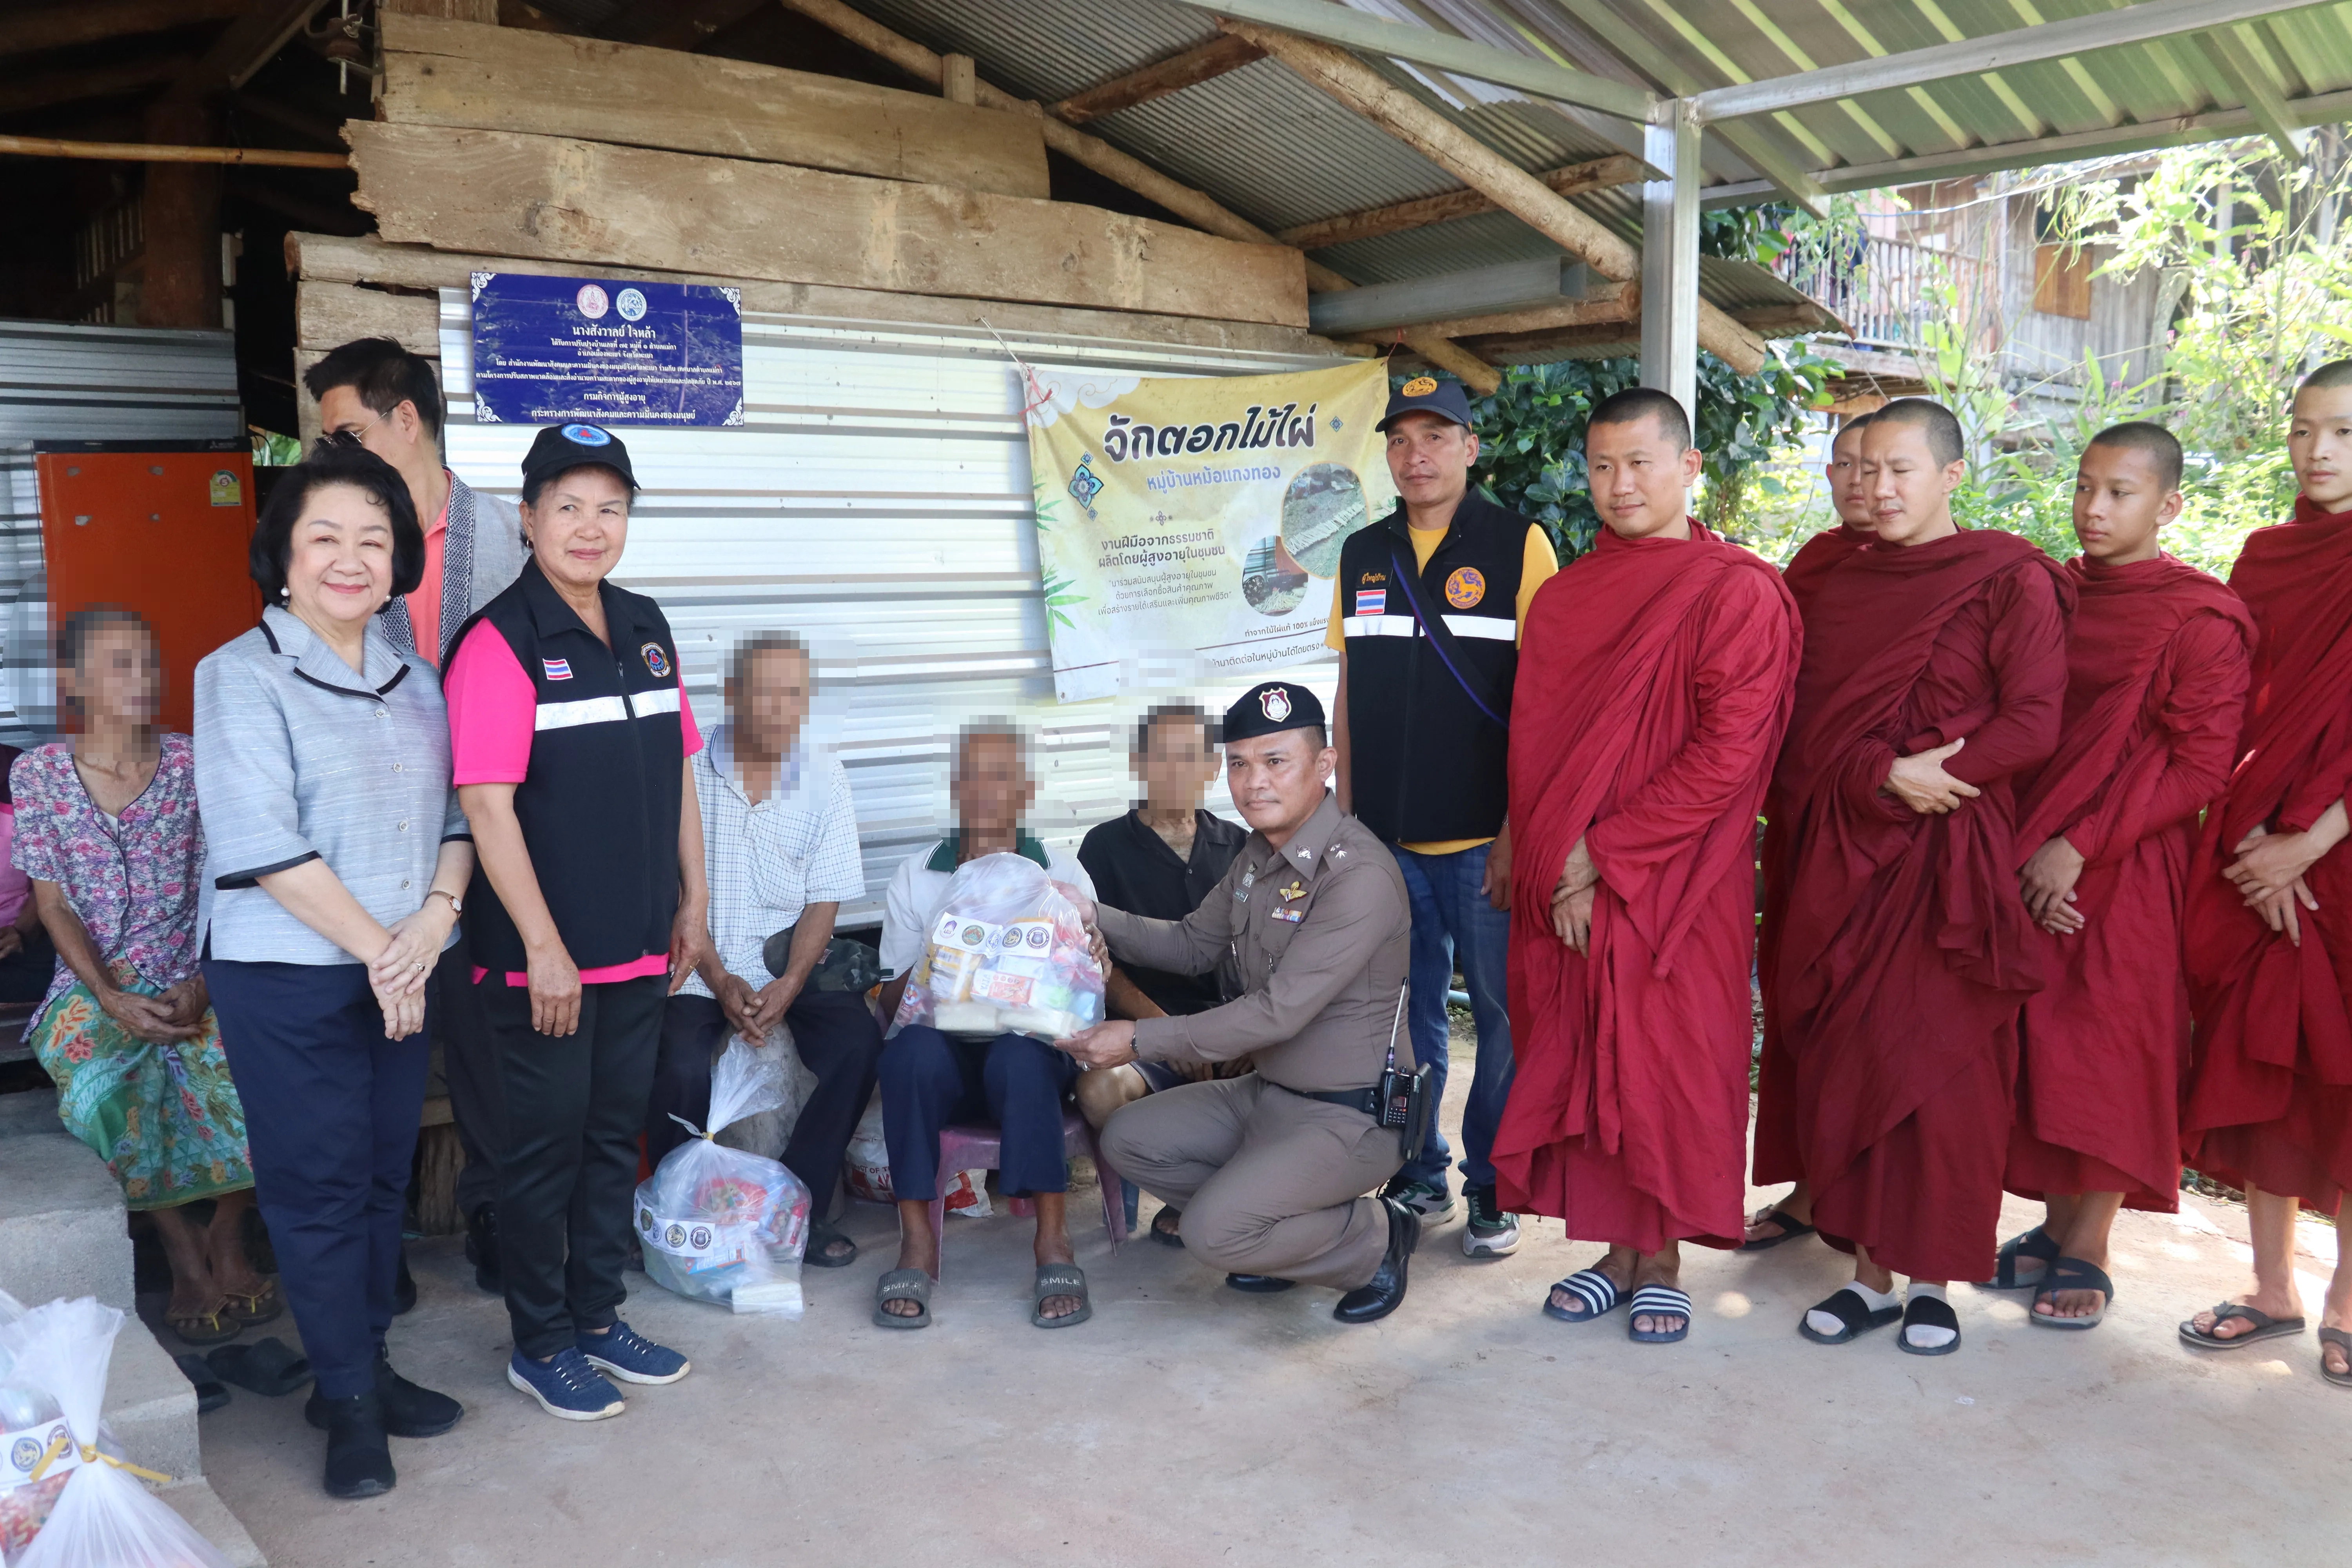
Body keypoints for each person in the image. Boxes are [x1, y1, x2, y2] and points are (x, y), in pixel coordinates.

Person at [1493, 389, 1801, 1345]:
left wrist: (1603, 853)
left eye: (1640, 463)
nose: (1620, 485)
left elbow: (1728, 754)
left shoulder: (1734, 589)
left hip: (1673, 880)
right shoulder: (1568, 594)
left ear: (1690, 467)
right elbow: (1538, 740)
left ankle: (1662, 1255)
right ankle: (1614, 1248)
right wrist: (1532, 846)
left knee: (1669, 1060)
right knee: (1584, 1051)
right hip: (1566, 877)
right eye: (1601, 467)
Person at [196, 439, 473, 1499]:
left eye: (375, 540)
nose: (351, 559)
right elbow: (261, 842)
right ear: (282, 557)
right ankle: (349, 1401)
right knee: (313, 1190)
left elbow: (457, 820)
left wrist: (432, 924)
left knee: (373, 1179)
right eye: (326, 538)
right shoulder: (239, 675)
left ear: (399, 562)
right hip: (291, 976)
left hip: (398, 968)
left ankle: (360, 1370)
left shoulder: (417, 680)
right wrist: (383, 954)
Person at [1773, 397, 2070, 1355]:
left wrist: (1939, 775)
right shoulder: (1837, 582)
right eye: (1869, 470)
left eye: (1904, 470)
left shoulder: (2007, 576)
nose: (1882, 487)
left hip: (1952, 857)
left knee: (1946, 1071)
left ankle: (1937, 1278)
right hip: (1846, 853)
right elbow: (1796, 728)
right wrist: (1880, 776)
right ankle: (1869, 1275)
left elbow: (2033, 719)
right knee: (1852, 1059)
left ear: (1950, 476)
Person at [444, 423, 709, 1420]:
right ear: (527, 518)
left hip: (641, 945)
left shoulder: (646, 624)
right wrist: (545, 947)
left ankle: (600, 1317)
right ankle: (540, 1340)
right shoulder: (500, 642)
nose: (590, 527)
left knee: (609, 1139)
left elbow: (678, 766)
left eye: (611, 507)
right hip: (542, 965)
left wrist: (696, 897)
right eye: (568, 505)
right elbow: (486, 804)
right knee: (541, 1152)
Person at [1061, 681, 1423, 1325]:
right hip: (1271, 1095)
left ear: (1325, 764)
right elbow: (1193, 944)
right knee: (1130, 1138)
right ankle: (1282, 1233)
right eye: (1238, 763)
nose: (1253, 782)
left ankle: (1374, 1237)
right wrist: (1093, 914)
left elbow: (1277, 1013)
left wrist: (1138, 1040)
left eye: (1275, 761)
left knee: (1210, 1234)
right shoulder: (1258, 856)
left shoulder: (1356, 875)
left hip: (1349, 1116)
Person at [2002, 425, 2251, 1328]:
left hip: (2130, 864)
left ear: (2168, 505)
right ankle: (2050, 1227)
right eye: (2085, 487)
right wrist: (2032, 845)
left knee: (2109, 1044)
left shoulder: (2200, 616)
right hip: (2029, 848)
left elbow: (2201, 766)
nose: (2095, 509)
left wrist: (2081, 844)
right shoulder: (2053, 595)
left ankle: (2090, 1244)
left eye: (2121, 493)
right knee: (2037, 1038)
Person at [307, 337, 526, 1294]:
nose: (332, 457)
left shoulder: (512, 537)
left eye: (347, 432)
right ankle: (374, 1253)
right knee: (374, 1047)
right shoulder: (344, 547)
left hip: (497, 833)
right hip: (381, 846)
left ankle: (495, 1222)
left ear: (406, 421)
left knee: (492, 1050)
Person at [1327, 374, 1558, 1257]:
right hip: (1385, 838)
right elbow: (1348, 690)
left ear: (1470, 446)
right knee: (1404, 1011)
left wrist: (1518, 826)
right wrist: (1343, 824)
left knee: (1500, 1012)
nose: (1416, 455)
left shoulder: (1517, 542)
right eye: (1400, 439)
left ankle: (1492, 1180)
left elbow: (1547, 698)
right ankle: (1420, 1167)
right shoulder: (1363, 552)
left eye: (1436, 436)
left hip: (1483, 840)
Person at [16, 608, 269, 1347]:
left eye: (148, 663)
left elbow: (232, 881)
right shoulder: (40, 776)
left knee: (255, 1076)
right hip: (94, 982)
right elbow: (53, 904)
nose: (142, 679)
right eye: (119, 664)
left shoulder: (197, 764)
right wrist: (109, 997)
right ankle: (180, 1246)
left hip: (200, 969)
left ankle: (227, 1233)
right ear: (72, 682)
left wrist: (204, 980)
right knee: (104, 1088)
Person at [2179, 360, 2352, 1385]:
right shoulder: (2268, 554)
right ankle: (2274, 1287)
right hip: (2260, 850)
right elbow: (2245, 707)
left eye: (2340, 432)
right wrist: (2260, 841)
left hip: (2332, 850)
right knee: (2264, 1069)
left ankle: (2348, 1300)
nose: (2318, 452)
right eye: (2301, 431)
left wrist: (2311, 842)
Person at [650, 632, 878, 1269]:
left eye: (795, 695)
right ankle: (682, 1212)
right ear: (731, 696)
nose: (782, 710)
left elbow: (825, 900)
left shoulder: (824, 777)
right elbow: (671, 890)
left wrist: (795, 981)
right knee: (680, 1065)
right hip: (698, 962)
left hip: (784, 962)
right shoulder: (687, 771)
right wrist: (719, 979)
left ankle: (795, 1205)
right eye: (766, 693)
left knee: (857, 1045)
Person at [869, 721, 1098, 1330]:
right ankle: (916, 1241)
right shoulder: (919, 874)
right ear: (954, 787)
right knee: (906, 1056)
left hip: (1028, 1055)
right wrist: (941, 961)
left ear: (1026, 789)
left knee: (1020, 1056)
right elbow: (896, 1002)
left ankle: (1053, 1240)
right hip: (946, 1055)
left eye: (1002, 776)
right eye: (971, 776)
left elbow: (1082, 996)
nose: (986, 791)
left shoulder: (1062, 874)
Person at [1747, 410, 1878, 1250]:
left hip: (1900, 839)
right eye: (1845, 465)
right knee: (1803, 1008)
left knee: (1878, 1022)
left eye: (1881, 466)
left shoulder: (1963, 574)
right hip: (1806, 824)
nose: (1862, 483)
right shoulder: (1817, 564)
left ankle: (1873, 1196)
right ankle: (1809, 1185)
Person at [1074, 702, 1248, 1245]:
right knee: (1100, 1090)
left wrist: (1236, 1037)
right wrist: (1168, 1039)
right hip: (1146, 1033)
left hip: (1231, 1032)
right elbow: (1098, 964)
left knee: (1298, 1075)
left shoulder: (1242, 847)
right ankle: (1191, 1196)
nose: (1177, 771)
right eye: (1162, 757)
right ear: (1138, 764)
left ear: (1212, 768)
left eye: (1191, 757)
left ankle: (1247, 1193)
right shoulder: (1103, 849)